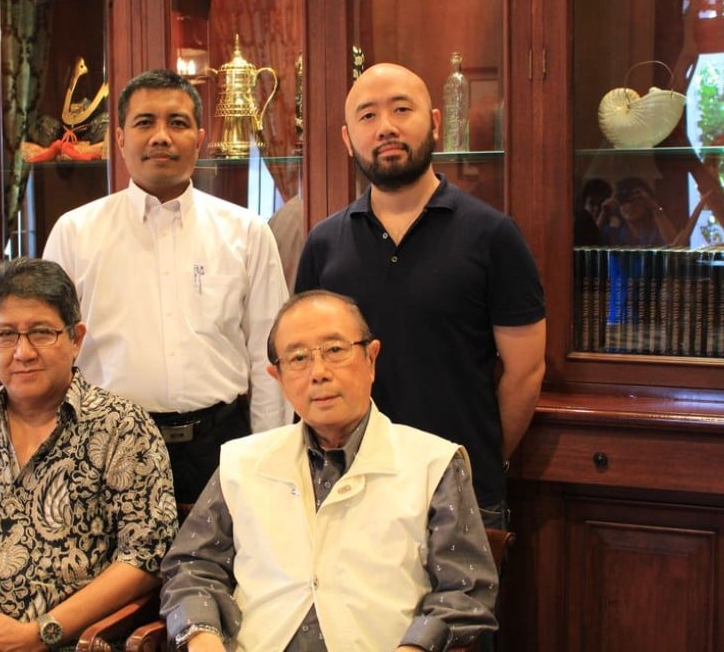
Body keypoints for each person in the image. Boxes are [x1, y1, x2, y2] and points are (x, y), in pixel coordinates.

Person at [160, 290, 499, 652]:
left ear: (371, 358)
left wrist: (414, 648)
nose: (319, 373)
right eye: (298, 358)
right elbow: (190, 567)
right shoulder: (241, 462)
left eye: (335, 350)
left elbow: (465, 591)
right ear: (278, 377)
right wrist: (203, 639)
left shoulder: (434, 463)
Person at [294, 63, 546, 527]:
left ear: (433, 123)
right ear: (348, 139)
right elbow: (305, 364)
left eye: (401, 109)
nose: (385, 127)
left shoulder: (492, 234)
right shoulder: (324, 243)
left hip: (460, 492)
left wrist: (477, 461)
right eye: (367, 116)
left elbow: (526, 370)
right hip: (347, 489)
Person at [0, 257, 177, 651]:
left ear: (76, 339)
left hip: (68, 644)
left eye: (42, 333)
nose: (23, 352)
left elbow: (146, 556)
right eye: (6, 335)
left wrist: (39, 633)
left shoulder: (122, 427)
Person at [44, 69, 289, 505]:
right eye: (145, 123)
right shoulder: (75, 232)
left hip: (221, 446)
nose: (161, 136)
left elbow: (268, 355)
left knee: (226, 551)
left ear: (199, 139)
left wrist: (268, 453)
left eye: (177, 123)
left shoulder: (246, 232)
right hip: (109, 443)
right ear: (120, 139)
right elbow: (52, 350)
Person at [597, 176, 677, 246]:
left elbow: (675, 245)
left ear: (646, 203)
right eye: (624, 200)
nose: (629, 206)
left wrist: (655, 207)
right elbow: (591, 242)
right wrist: (604, 213)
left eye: (635, 200)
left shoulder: (658, 232)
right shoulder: (614, 234)